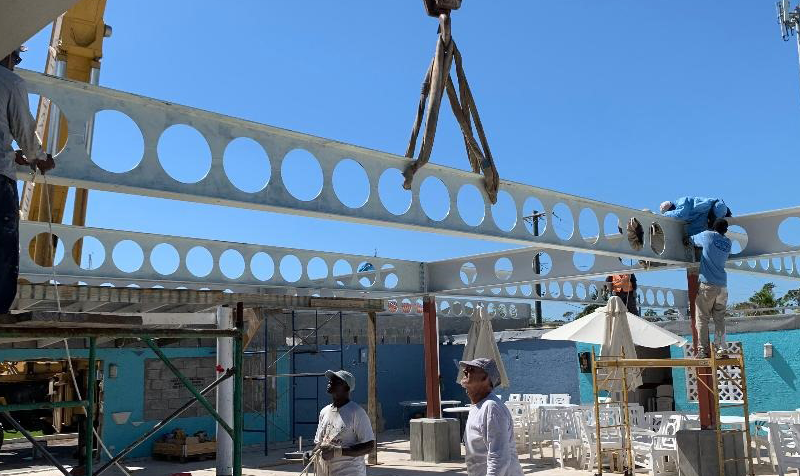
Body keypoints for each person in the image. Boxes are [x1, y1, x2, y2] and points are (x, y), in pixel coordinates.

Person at [0, 47, 55, 314]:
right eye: (17, 58)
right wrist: (38, 157)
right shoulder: (9, 81)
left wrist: (15, 156)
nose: (16, 64)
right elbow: (23, 128)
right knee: (3, 248)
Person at [459, 358, 523, 476]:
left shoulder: (491, 407)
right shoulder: (478, 407)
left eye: (471, 369)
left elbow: (499, 457)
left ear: (485, 378)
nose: (465, 370)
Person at [308, 369, 375, 476]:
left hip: (349, 472)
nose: (330, 382)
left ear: (347, 388)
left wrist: (337, 451)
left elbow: (369, 446)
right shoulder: (324, 411)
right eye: (330, 380)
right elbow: (319, 442)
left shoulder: (357, 412)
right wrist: (311, 453)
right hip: (326, 472)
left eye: (336, 381)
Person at [692, 218, 732, 358]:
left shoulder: (707, 235)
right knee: (719, 319)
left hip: (708, 285)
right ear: (725, 230)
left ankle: (703, 350)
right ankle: (721, 349)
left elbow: (691, 240)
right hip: (722, 287)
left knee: (702, 317)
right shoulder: (728, 242)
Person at [660, 197, 731, 239]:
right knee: (692, 231)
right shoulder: (694, 214)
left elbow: (682, 214)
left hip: (715, 208)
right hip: (708, 214)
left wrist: (665, 215)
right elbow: (696, 226)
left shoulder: (683, 201)